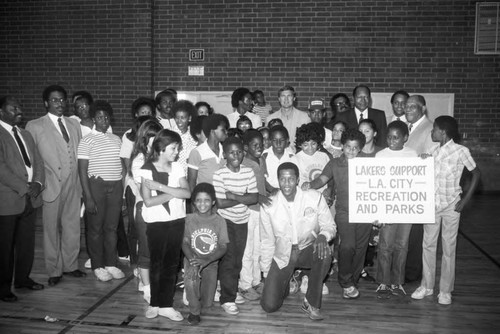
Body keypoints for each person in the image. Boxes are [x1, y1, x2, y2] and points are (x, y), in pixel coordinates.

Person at [411, 116, 480, 305]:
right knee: (428, 245)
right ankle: (427, 286)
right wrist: (423, 160)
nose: (431, 132)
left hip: (451, 205)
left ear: (442, 132)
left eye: (433, 129)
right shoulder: (432, 151)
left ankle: (445, 290)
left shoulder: (460, 151)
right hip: (432, 205)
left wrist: (465, 200)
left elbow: (476, 173)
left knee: (449, 248)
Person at [26, 85, 85, 286]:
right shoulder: (35, 126)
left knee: (72, 226)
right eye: (54, 100)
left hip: (73, 183)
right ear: (46, 103)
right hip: (51, 184)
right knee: (51, 230)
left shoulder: (73, 124)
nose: (59, 103)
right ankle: (54, 269)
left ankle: (70, 265)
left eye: (62, 100)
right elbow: (32, 158)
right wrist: (36, 182)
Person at [260, 162, 336, 320]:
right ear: (278, 180)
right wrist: (267, 273)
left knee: (325, 252)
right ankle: (287, 281)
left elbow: (330, 225)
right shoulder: (269, 205)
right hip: (283, 255)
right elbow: (267, 241)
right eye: (282, 179)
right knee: (269, 306)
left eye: (291, 179)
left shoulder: (314, 197)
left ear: (297, 180)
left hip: (308, 248)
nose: (286, 183)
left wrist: (323, 236)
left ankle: (311, 301)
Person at [302, 129, 369, 299]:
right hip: (344, 211)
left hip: (366, 210)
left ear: (360, 148)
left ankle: (352, 281)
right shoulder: (334, 164)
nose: (351, 151)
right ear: (343, 147)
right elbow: (322, 180)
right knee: (347, 246)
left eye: (355, 148)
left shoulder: (369, 163)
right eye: (348, 147)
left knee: (361, 248)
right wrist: (310, 184)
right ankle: (345, 281)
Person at [137, 129, 190, 321]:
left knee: (171, 264)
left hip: (176, 220)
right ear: (160, 148)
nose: (177, 152)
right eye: (173, 148)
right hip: (156, 223)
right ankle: (155, 303)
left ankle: (166, 304)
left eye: (177, 148)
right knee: (157, 263)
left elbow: (187, 193)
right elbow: (148, 201)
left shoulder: (177, 168)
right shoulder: (146, 168)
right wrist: (175, 191)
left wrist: (161, 188)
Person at [0, 96, 45, 302]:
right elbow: (1, 169)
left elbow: (38, 162)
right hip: (9, 198)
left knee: (26, 242)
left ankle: (22, 279)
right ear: (1, 112)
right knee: (5, 246)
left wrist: (38, 183)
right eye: (13, 108)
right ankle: (3, 288)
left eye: (19, 106)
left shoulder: (25, 134)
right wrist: (24, 187)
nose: (19, 109)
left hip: (30, 197)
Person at [77, 101, 125, 282]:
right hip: (96, 187)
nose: (103, 120)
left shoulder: (116, 139)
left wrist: (121, 190)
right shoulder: (87, 140)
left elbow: (121, 165)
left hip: (115, 187)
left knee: (111, 228)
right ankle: (98, 265)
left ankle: (111, 263)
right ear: (94, 119)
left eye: (106, 117)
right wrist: (88, 196)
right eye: (99, 117)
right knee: (95, 228)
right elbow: (82, 170)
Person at [213, 136, 258, 315]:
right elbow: (220, 204)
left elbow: (254, 198)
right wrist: (242, 198)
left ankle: (230, 289)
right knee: (230, 260)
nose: (236, 155)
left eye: (239, 151)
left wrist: (233, 196)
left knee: (238, 259)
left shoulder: (248, 172)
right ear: (224, 154)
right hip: (225, 221)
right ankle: (227, 298)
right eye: (231, 152)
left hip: (243, 220)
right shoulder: (219, 174)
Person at [373, 120, 417, 298]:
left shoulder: (413, 154)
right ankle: (383, 282)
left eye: (396, 138)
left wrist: (424, 161)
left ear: (405, 138)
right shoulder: (381, 155)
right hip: (387, 207)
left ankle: (398, 282)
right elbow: (375, 184)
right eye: (389, 137)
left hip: (406, 207)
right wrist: (376, 211)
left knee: (402, 245)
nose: (391, 141)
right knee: (385, 245)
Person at [182, 183, 228, 325]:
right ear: (194, 202)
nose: (203, 204)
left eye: (206, 200)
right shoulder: (188, 219)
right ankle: (194, 310)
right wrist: (193, 260)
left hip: (211, 262)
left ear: (213, 201)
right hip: (192, 259)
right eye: (199, 200)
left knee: (207, 302)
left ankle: (193, 293)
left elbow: (223, 246)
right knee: (191, 279)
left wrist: (207, 260)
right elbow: (184, 243)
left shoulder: (220, 221)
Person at [129, 119, 163, 303]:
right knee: (146, 250)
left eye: (158, 136)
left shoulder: (160, 156)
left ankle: (152, 282)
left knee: (158, 249)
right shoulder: (139, 160)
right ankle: (147, 287)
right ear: (144, 138)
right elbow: (148, 187)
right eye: (151, 136)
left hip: (162, 209)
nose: (155, 139)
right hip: (146, 208)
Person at [403, 95, 435, 283]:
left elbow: (429, 159)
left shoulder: (430, 129)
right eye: (406, 106)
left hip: (417, 190)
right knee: (406, 233)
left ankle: (412, 273)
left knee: (415, 235)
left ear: (422, 108)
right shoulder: (410, 126)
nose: (407, 109)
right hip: (404, 189)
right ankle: (404, 269)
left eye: (413, 107)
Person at [238, 129, 271, 300]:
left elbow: (262, 181)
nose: (260, 147)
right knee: (248, 249)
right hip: (248, 210)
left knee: (259, 247)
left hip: (261, 210)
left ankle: (256, 281)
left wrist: (272, 190)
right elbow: (241, 189)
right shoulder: (242, 162)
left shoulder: (262, 159)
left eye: (261, 144)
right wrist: (258, 196)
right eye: (255, 145)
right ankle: (245, 284)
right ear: (246, 147)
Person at [187, 114, 228, 190]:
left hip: (224, 197)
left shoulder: (226, 150)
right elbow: (191, 182)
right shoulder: (197, 152)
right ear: (212, 131)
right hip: (205, 198)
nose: (226, 132)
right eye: (223, 130)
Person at [266, 85, 310, 152]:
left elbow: (308, 140)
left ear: (294, 98)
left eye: (289, 96)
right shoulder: (270, 119)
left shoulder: (305, 118)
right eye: (283, 96)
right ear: (279, 99)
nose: (286, 99)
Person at [262, 125, 296, 193]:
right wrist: (272, 189)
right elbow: (262, 179)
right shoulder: (264, 156)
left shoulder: (291, 157)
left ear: (287, 141)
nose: (278, 143)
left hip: (288, 191)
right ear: (270, 141)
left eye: (282, 140)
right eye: (275, 140)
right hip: (269, 192)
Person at [171, 100, 198, 175]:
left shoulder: (194, 134)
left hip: (190, 174)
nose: (179, 121)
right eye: (177, 118)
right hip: (173, 174)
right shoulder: (169, 133)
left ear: (189, 118)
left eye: (183, 118)